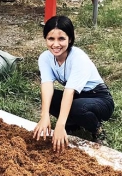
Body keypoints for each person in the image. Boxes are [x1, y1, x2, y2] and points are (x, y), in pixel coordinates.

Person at [32, 15, 114, 152]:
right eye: (51, 39)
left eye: (61, 39)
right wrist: (44, 115)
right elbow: (46, 85)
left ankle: (97, 130)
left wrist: (59, 124)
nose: (56, 44)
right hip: (78, 96)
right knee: (49, 99)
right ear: (45, 39)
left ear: (70, 39)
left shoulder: (78, 57)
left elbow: (69, 91)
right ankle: (73, 123)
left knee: (77, 107)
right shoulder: (45, 57)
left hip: (99, 98)